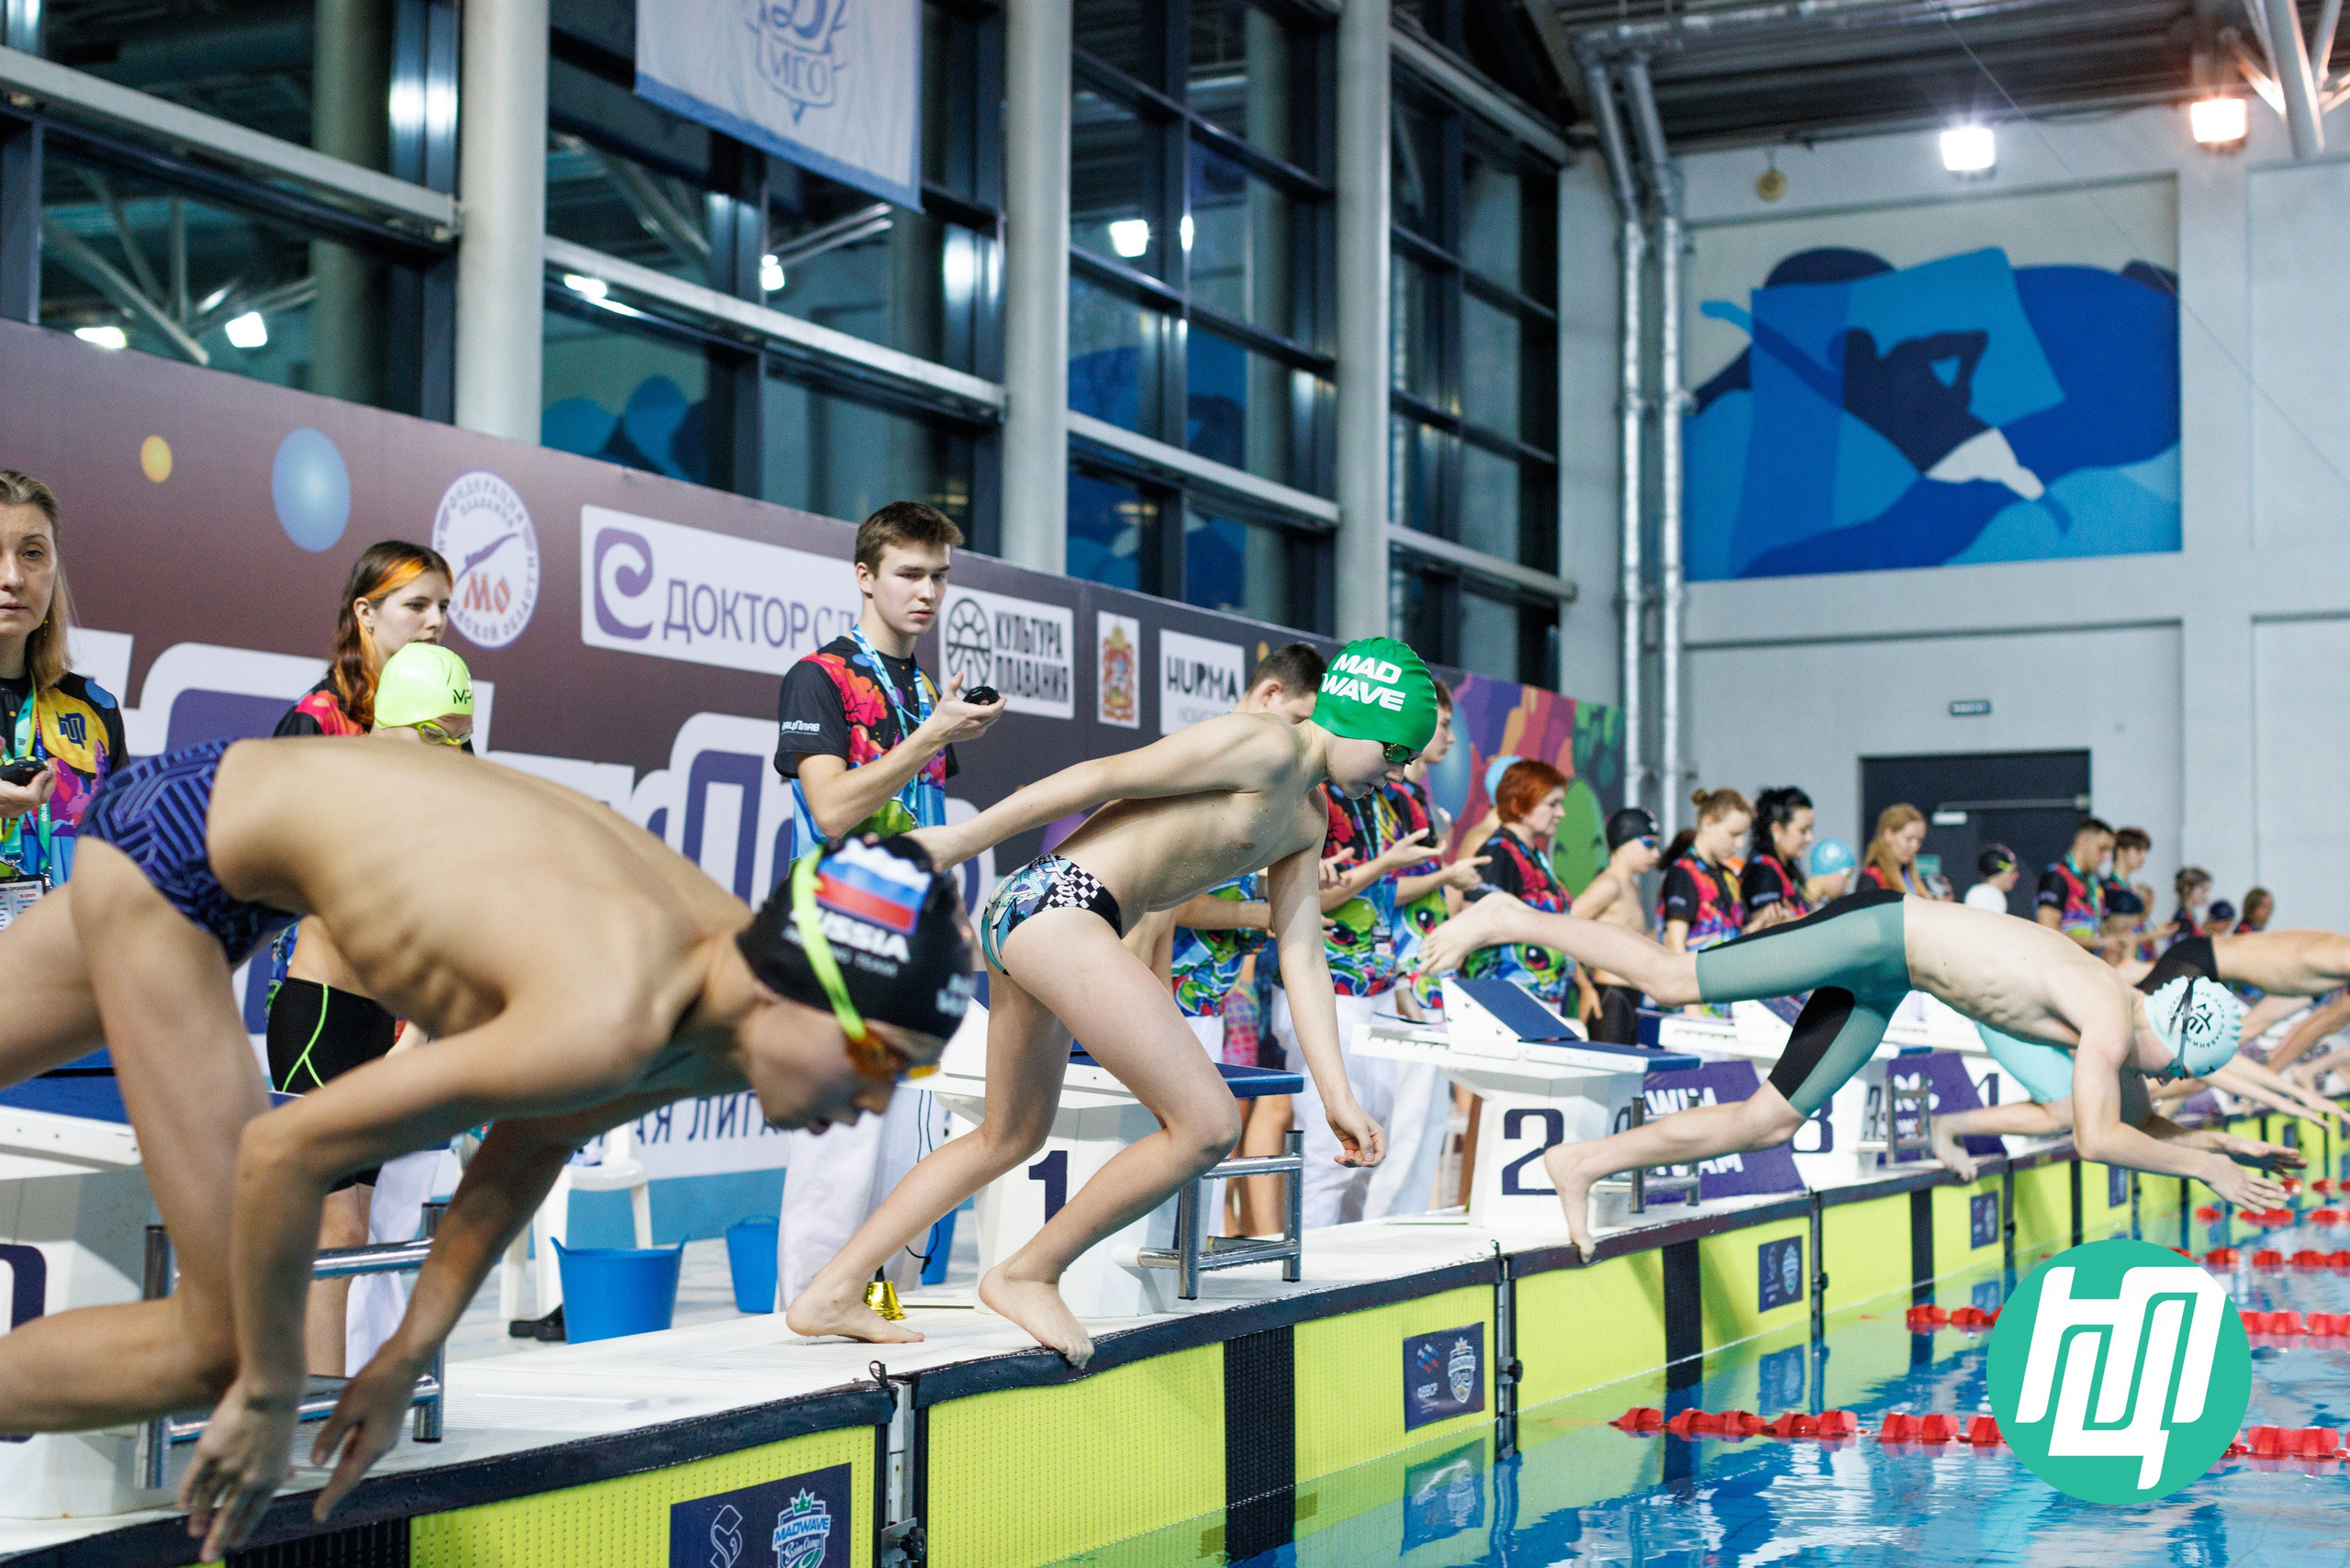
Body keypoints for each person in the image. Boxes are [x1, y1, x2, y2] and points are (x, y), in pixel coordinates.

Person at [0, 735, 972, 1561]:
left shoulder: (723, 1016)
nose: (874, 1099)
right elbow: (282, 1151)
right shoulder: (610, 1009)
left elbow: (526, 1148)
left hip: (215, 820)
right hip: (188, 856)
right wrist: (268, 1388)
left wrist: (401, 1356)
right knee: (222, 1343)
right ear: (797, 991)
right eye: (877, 1057)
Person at [784, 636, 1439, 1368]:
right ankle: (1027, 1273)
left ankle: (833, 1290)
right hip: (1065, 905)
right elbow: (1100, 775)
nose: (1400, 771)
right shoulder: (1265, 744)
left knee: (1010, 1135)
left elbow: (1302, 955)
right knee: (1207, 1123)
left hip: (1040, 917)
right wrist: (965, 839)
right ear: (1353, 719)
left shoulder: (1306, 819)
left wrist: (1337, 1096)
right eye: (1394, 751)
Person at [1416, 889, 2277, 1256]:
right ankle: (1511, 914)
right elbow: (2097, 1136)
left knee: (1770, 1122)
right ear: (2172, 1037)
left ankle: (1583, 1163)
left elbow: (2137, 1122)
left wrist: (2226, 1153)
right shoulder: (2102, 1010)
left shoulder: (2127, 1024)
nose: (2166, 1087)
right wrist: (2201, 1163)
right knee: (1676, 980)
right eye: (2178, 1075)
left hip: (1890, 976)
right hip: (1875, 933)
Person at [769, 501, 1005, 1312]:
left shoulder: (920, 687)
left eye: (940, 576)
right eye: (910, 574)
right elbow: (832, 811)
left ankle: (877, 1323)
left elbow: (923, 827)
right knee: (836, 1169)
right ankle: (806, 1329)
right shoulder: (821, 676)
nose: (928, 592)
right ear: (865, 576)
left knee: (912, 1163)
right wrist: (931, 736)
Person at [266, 644, 475, 1377]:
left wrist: (417, 1032)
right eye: (438, 733)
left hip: (381, 1030)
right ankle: (315, 1411)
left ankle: (339, 1394)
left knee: (365, 1237)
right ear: (392, 726)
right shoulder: (342, 792)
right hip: (318, 1022)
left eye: (462, 735)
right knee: (337, 1227)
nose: (454, 750)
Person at [0, 470, 123, 897]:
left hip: (65, 961)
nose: (13, 577)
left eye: (32, 554)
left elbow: (122, 861)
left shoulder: (95, 707)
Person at [274, 542, 453, 741]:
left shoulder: (444, 710)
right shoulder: (319, 716)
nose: (437, 621)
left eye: (443, 607)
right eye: (416, 605)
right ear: (366, 612)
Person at [1460, 760, 1588, 1017]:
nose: (1561, 813)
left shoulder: (1532, 855)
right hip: (1506, 1006)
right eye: (1552, 804)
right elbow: (1475, 924)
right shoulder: (1499, 853)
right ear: (1520, 805)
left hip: (1539, 1003)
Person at [1569, 806, 1661, 1045]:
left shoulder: (1631, 886)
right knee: (1607, 1078)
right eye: (1649, 845)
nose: (1656, 854)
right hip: (1609, 996)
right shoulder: (1609, 885)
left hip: (1631, 994)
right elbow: (1563, 930)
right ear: (1624, 843)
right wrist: (1585, 987)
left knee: (1625, 1077)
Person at [1660, 789, 1751, 1011]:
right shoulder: (1684, 872)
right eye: (1734, 834)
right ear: (1708, 823)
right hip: (1695, 1005)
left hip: (1726, 1003)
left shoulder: (1728, 876)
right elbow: (1674, 942)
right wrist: (1689, 1005)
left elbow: (1737, 932)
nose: (1740, 844)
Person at [1740, 787, 1814, 931]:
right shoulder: (1763, 871)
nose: (1810, 838)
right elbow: (1766, 930)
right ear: (1777, 830)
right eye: (1803, 831)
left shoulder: (1785, 869)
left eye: (1811, 830)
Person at [2035, 815, 2114, 950]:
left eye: (2109, 851)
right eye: (2102, 848)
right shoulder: (2056, 877)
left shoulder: (2093, 881)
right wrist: (2100, 943)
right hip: (2061, 966)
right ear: (2082, 840)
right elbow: (2048, 930)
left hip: (2087, 965)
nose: (2106, 857)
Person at [1859, 803, 1935, 897]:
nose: (1915, 846)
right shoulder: (1872, 878)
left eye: (1919, 840)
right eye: (1909, 839)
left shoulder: (1909, 876)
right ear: (1888, 835)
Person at [1964, 844, 2019, 913]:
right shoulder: (1988, 895)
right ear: (1999, 871)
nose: (2016, 875)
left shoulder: (1984, 893)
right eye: (2012, 871)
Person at [1805, 837, 1855, 906]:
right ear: (1830, 871)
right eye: (1847, 874)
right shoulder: (1799, 906)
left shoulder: (1810, 903)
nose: (1849, 883)